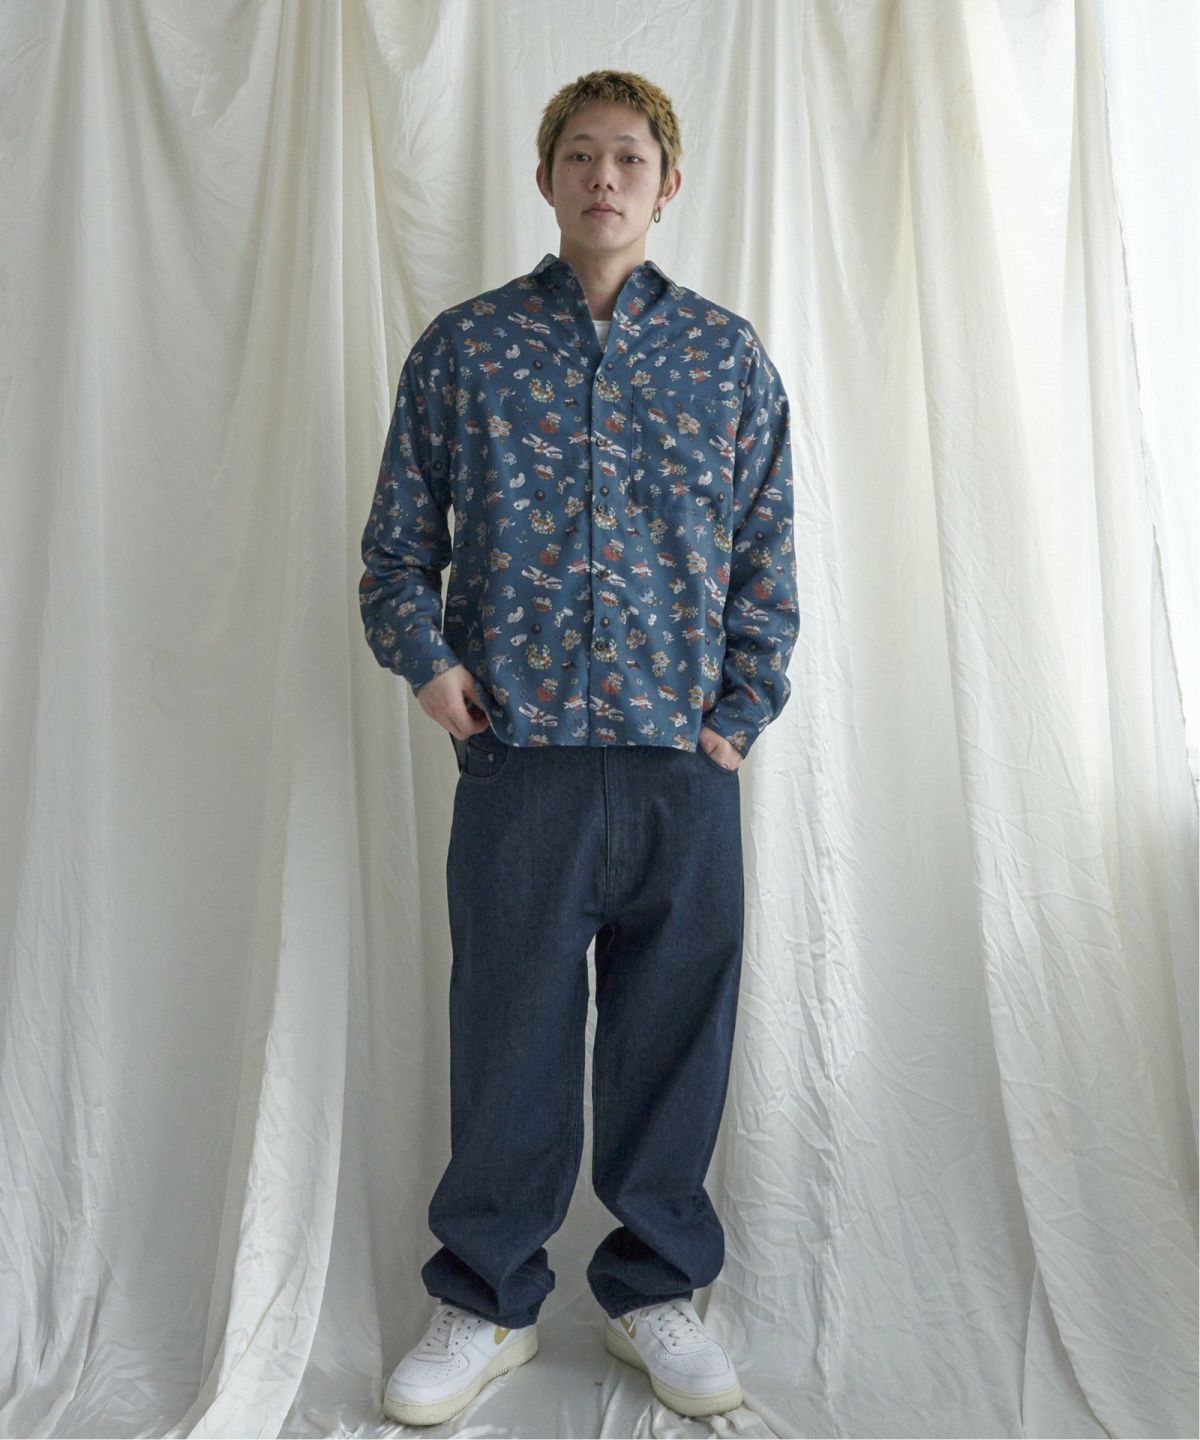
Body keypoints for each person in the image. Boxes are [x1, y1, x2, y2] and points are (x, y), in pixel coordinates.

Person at [359, 68, 798, 1427]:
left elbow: (767, 555)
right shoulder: (466, 351)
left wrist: (739, 714)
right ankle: (486, 1302)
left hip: (683, 767)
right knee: (510, 1036)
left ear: (669, 184)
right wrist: (432, 668)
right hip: (522, 762)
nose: (605, 177)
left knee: (674, 1034)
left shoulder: (726, 358)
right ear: (546, 178)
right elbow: (394, 554)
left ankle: (653, 1290)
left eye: (630, 158)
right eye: (581, 155)